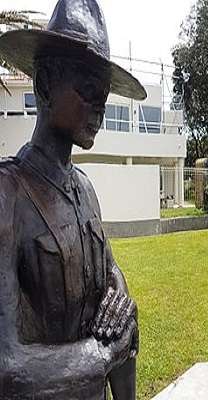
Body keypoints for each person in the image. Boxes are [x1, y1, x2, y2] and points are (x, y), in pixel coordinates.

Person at [0, 0, 147, 398]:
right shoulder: (7, 195)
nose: (100, 106)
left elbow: (118, 310)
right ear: (45, 84)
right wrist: (100, 355)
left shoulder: (86, 190)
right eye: (87, 91)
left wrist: (120, 312)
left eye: (104, 95)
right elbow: (5, 367)